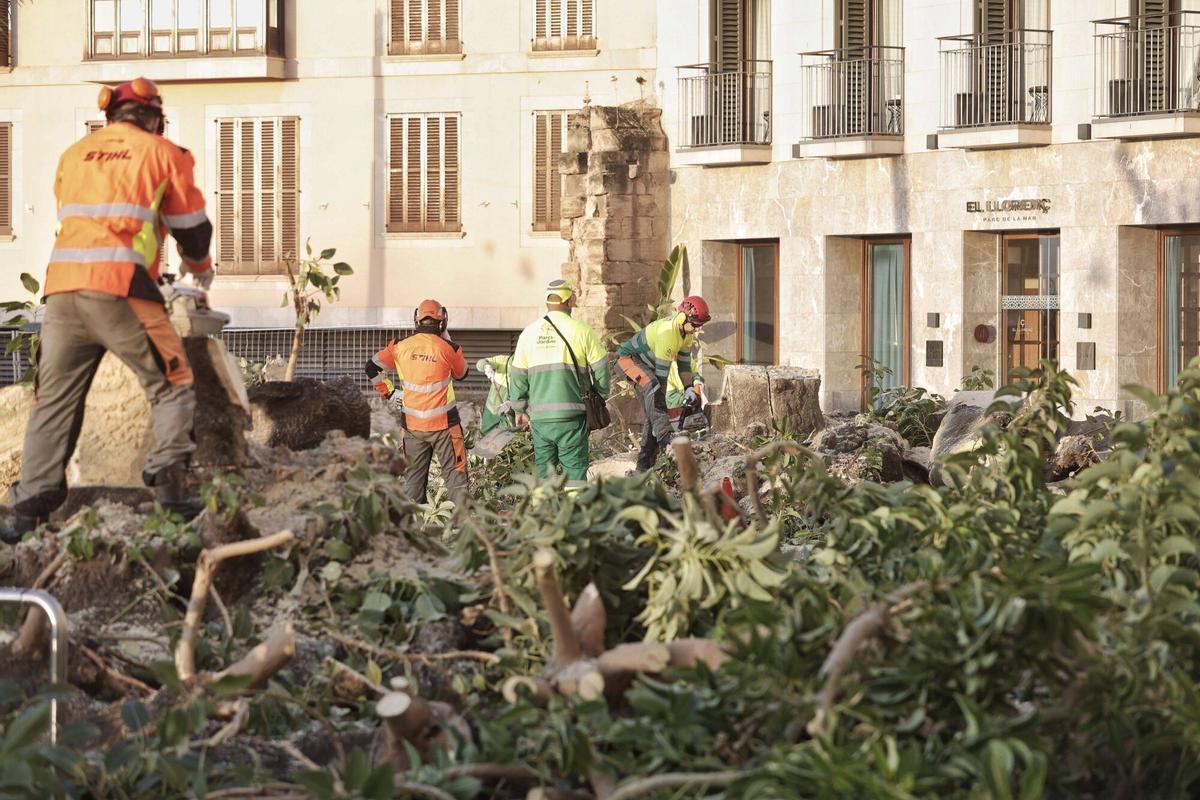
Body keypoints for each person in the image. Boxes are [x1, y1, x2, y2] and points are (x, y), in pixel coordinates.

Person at [1, 78, 215, 543]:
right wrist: (200, 272)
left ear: (109, 117)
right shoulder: (162, 153)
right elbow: (192, 228)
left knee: (52, 401)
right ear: (155, 117)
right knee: (172, 382)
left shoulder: (74, 155)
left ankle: (26, 511)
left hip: (61, 292)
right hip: (122, 288)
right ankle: (172, 491)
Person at [366, 299, 469, 508]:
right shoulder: (449, 349)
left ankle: (412, 530)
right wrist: (447, 337)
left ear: (417, 319)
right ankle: (463, 529)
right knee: (455, 478)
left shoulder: (400, 347)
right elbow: (462, 374)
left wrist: (390, 393)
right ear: (442, 321)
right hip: (445, 427)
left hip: (412, 427)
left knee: (412, 479)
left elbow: (371, 367)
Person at [509, 279, 609, 486]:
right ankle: (574, 516)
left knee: (545, 477)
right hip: (572, 418)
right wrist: (600, 395)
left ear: (548, 302)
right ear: (569, 300)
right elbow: (601, 368)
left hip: (540, 420)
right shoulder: (582, 330)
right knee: (575, 473)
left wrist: (519, 409)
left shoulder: (528, 333)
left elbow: (517, 375)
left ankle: (543, 516)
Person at [616, 296, 711, 473]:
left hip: (646, 366)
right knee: (654, 390)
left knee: (654, 410)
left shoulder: (686, 333)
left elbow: (683, 364)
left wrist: (689, 388)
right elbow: (661, 380)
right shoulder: (668, 333)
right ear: (683, 317)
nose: (698, 328)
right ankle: (666, 442)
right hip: (628, 360)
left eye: (701, 324)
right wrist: (666, 431)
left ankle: (644, 466)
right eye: (696, 324)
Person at [476, 354, 518, 436]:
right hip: (492, 411)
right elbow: (480, 364)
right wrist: (486, 366)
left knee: (506, 438)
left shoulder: (528, 369)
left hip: (511, 412)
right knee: (485, 436)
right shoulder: (503, 361)